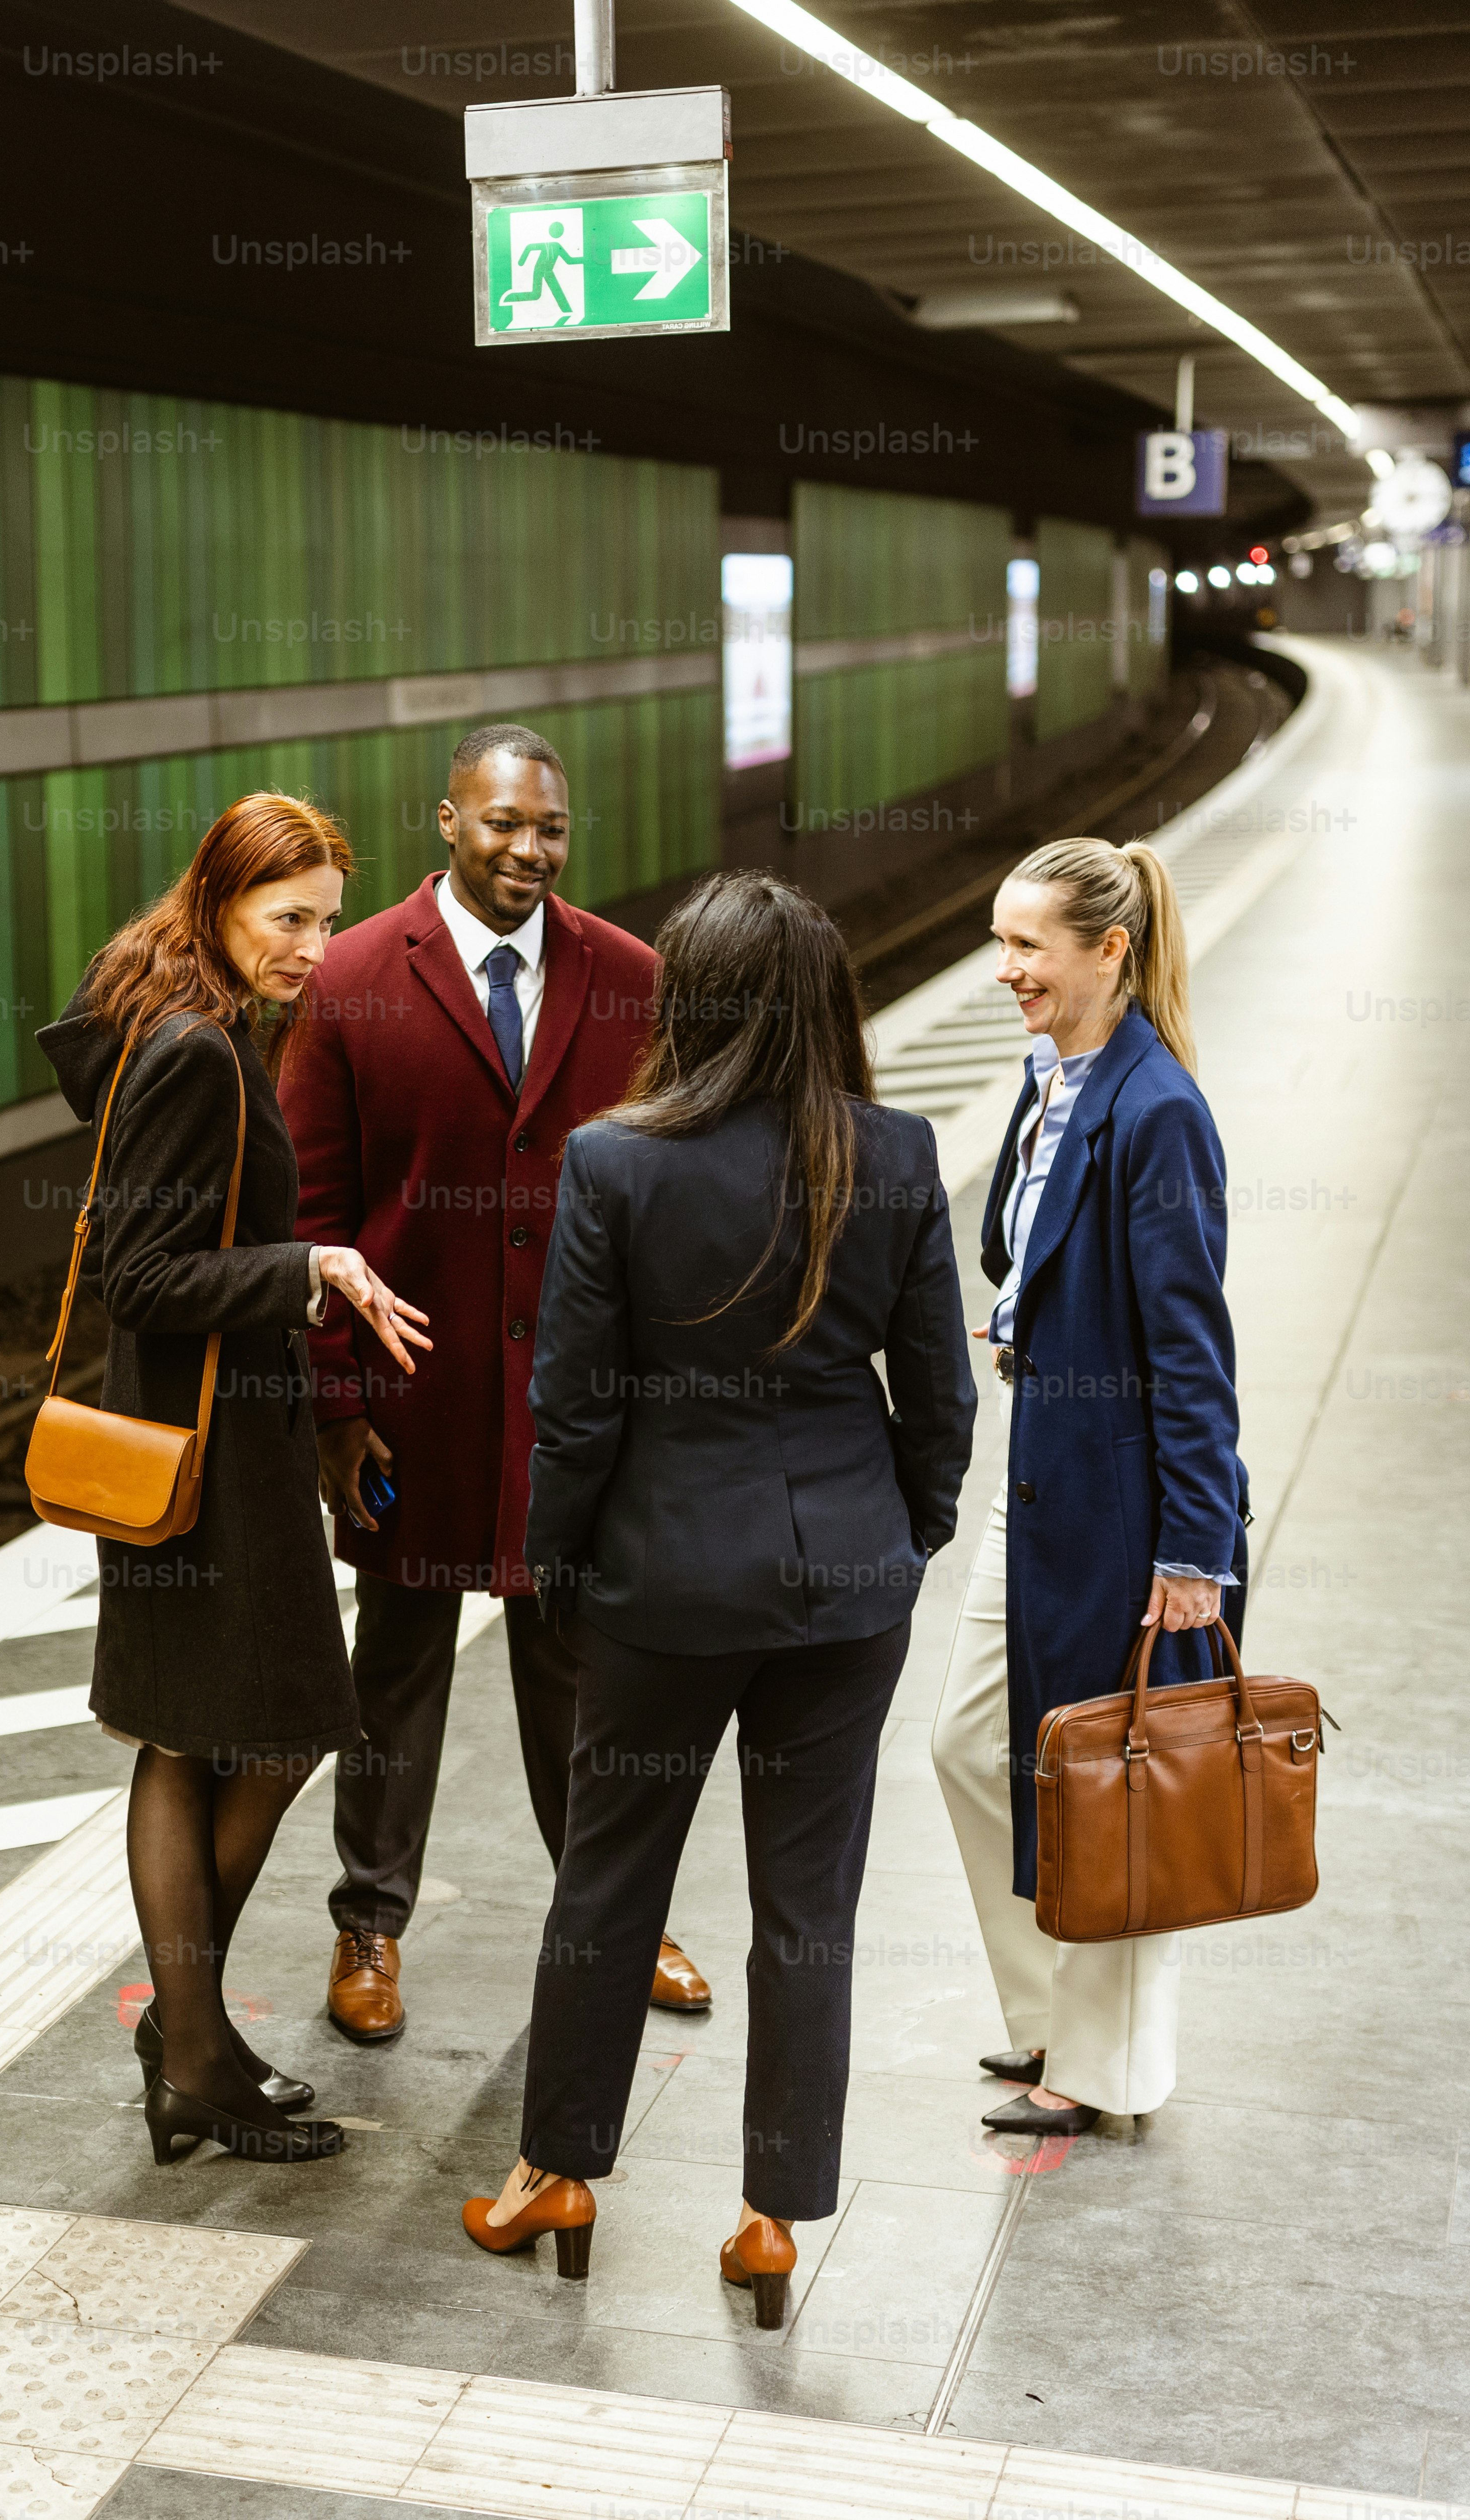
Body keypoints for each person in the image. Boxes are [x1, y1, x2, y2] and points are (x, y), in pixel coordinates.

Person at [460, 870, 974, 2326]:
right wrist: (900, 1534)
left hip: (658, 1582)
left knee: (607, 1885)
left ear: (684, 998)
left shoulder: (616, 1162)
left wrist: (556, 1570)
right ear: (824, 999)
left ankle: (554, 2175)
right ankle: (768, 2219)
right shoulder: (890, 1151)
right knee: (806, 1909)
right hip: (842, 1592)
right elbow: (937, 1397)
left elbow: (571, 1409)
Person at [280, 723, 709, 2046]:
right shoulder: (351, 978)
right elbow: (315, 1210)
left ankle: (616, 1913)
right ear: (445, 821)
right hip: (415, 1397)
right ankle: (367, 1926)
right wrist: (337, 1409)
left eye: (550, 829)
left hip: (578, 1409)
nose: (528, 850)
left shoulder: (627, 977)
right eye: (502, 825)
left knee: (584, 1673)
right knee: (393, 1669)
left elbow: (672, 1191)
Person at [34, 792, 434, 2167]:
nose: (315, 948)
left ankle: (189, 2038)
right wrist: (305, 1268)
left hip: (200, 1448)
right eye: (288, 918)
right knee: (243, 1731)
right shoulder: (195, 1051)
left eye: (326, 920)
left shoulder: (172, 1013)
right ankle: (190, 2043)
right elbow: (138, 1278)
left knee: (199, 1731)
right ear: (216, 900)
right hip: (203, 1466)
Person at [932, 836, 1250, 2142]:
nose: (1001, 968)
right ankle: (1049, 2011)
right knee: (968, 1744)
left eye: (1025, 946)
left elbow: (1192, 1349)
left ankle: (1104, 2063)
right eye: (998, 941)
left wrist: (1195, 1548)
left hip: (1125, 1504)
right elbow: (1025, 1244)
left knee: (1111, 1779)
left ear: (1105, 949)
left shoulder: (1153, 1107)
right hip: (1041, 1465)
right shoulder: (1049, 1074)